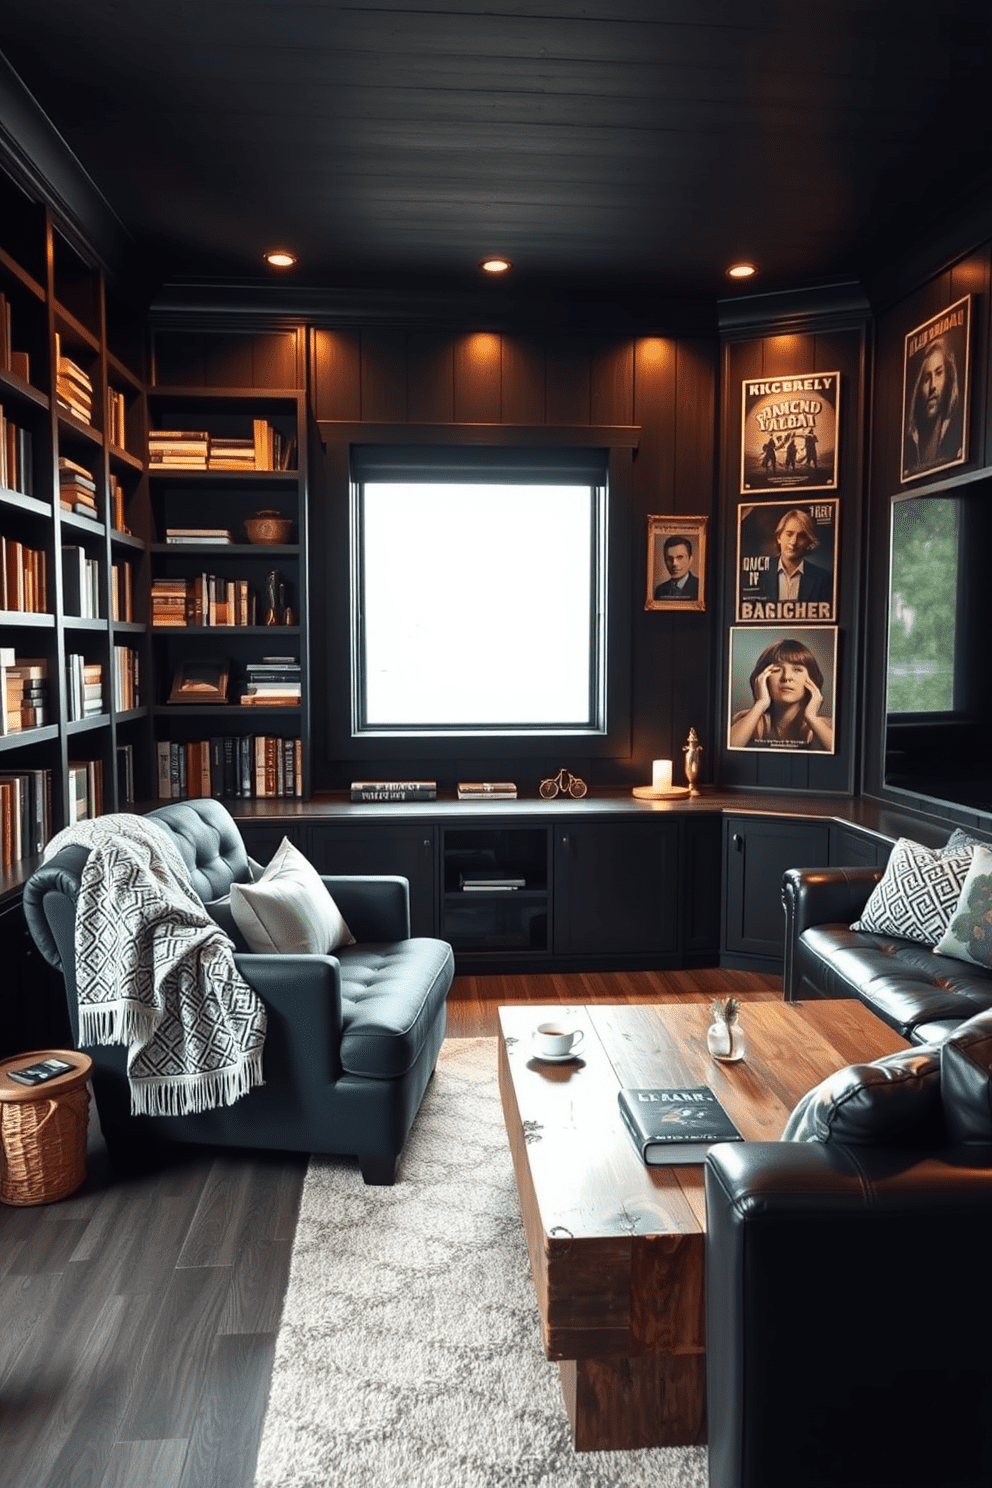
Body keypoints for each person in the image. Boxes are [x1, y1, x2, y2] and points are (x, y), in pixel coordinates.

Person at [729, 637, 833, 750]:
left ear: (812, 680)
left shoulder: (827, 726)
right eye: (776, 670)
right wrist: (761, 703)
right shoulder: (749, 720)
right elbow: (728, 748)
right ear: (762, 678)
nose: (786, 677)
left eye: (797, 669)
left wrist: (811, 717)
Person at [904, 335, 964, 475]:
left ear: (948, 378)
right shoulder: (909, 445)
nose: (933, 386)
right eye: (926, 378)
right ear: (918, 388)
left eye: (939, 373)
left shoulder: (957, 442)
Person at [753, 508, 832, 606]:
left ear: (809, 542)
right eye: (789, 534)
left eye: (802, 536)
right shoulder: (761, 572)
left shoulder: (823, 578)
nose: (794, 542)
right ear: (779, 537)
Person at [654, 535, 699, 600]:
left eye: (680, 557)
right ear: (665, 560)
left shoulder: (700, 587)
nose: (674, 563)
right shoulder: (660, 590)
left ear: (690, 559)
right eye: (669, 558)